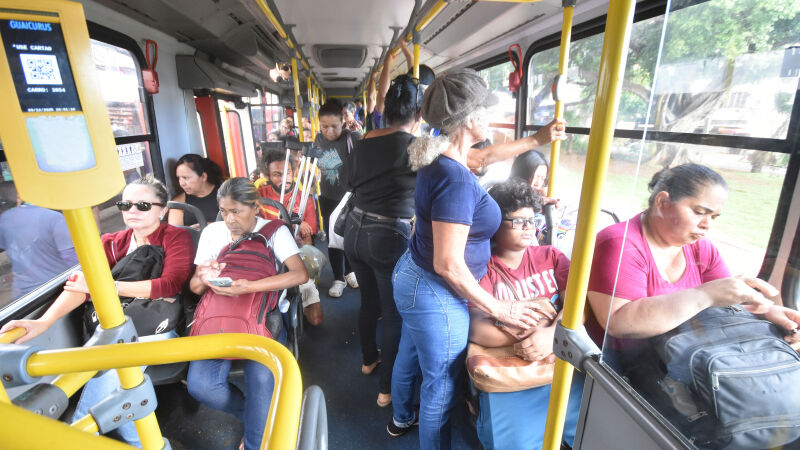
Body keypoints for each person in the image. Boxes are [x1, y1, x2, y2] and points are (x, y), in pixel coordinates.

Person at [388, 68, 566, 448]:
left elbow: (484, 156)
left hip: (414, 275)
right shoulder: (454, 178)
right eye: (484, 110)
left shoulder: (443, 153)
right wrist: (502, 310)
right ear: (469, 120)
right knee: (441, 384)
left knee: (410, 349)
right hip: (435, 289)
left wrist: (536, 139)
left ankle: (401, 415)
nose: (489, 117)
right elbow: (448, 265)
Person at [1, 177, 193, 447]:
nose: (132, 211)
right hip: (116, 328)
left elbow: (169, 284)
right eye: (126, 205)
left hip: (158, 328)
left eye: (142, 205)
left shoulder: (177, 237)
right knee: (120, 372)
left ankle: (77, 434)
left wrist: (108, 286)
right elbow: (81, 285)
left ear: (162, 210)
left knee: (115, 363)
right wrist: (43, 323)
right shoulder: (113, 242)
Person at [586, 163, 800, 358]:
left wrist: (768, 312)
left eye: (713, 217)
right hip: (623, 363)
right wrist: (703, 295)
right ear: (662, 203)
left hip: (678, 353)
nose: (707, 225)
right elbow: (619, 323)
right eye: (699, 212)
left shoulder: (701, 248)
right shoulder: (619, 243)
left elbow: (723, 299)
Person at [187, 177, 308, 450]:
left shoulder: (274, 231)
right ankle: (254, 416)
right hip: (218, 316)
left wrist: (250, 287)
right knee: (201, 386)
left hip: (262, 317)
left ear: (255, 207)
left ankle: (256, 440)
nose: (229, 219)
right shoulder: (211, 233)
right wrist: (205, 277)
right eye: (224, 211)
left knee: (262, 379)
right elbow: (195, 287)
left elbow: (300, 274)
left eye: (236, 211)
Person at [471, 179, 583, 449]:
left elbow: (577, 306)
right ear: (495, 224)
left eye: (532, 221)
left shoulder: (551, 257)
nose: (528, 228)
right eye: (518, 221)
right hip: (509, 371)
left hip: (557, 358)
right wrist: (529, 340)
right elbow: (475, 328)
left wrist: (551, 335)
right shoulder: (482, 268)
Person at [343, 74, 420, 408]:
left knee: (368, 303)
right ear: (418, 116)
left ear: (385, 112)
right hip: (388, 235)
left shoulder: (361, 142)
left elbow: (347, 182)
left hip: (354, 231)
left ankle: (367, 360)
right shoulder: (416, 148)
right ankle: (385, 390)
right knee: (393, 315)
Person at [257, 148, 323, 325]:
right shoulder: (260, 197)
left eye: (287, 173)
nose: (283, 179)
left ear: (294, 173)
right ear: (268, 175)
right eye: (276, 174)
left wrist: (300, 241)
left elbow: (309, 242)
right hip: (268, 258)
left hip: (295, 256)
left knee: (315, 320)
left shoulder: (304, 199)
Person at [314, 99, 360, 297]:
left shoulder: (353, 138)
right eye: (325, 126)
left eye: (334, 126)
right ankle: (337, 278)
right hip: (328, 197)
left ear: (343, 122)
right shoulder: (318, 139)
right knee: (333, 239)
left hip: (348, 199)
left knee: (349, 238)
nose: (329, 131)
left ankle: (350, 270)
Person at [0, 182, 78, 299]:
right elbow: (73, 262)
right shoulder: (53, 218)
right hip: (58, 290)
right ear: (19, 197)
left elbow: (17, 258)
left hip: (23, 296)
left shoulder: (3, 221)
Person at [169, 154, 224, 228]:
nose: (181, 183)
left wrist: (207, 227)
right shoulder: (179, 201)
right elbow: (174, 232)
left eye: (186, 178)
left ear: (203, 176)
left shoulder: (225, 195)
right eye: (179, 178)